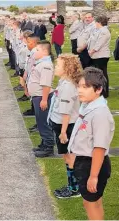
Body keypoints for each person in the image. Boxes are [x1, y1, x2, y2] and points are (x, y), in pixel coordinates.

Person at [69, 67, 114, 220]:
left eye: (85, 87)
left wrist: (93, 176)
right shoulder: (88, 106)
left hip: (93, 164)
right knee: (92, 202)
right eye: (79, 86)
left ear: (98, 89)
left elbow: (99, 148)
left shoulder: (100, 113)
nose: (80, 90)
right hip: (85, 162)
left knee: (91, 204)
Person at [48, 54, 83, 199]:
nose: (55, 67)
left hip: (66, 127)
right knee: (67, 156)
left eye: (58, 65)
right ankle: (72, 185)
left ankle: (74, 188)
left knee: (70, 157)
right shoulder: (64, 82)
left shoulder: (68, 86)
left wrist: (63, 132)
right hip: (62, 125)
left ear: (67, 68)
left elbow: (66, 112)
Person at [27, 40, 55, 157]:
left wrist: (44, 100)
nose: (35, 52)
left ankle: (48, 146)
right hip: (37, 96)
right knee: (40, 121)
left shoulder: (46, 65)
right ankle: (44, 143)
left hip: (42, 97)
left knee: (44, 122)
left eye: (37, 50)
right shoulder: (41, 63)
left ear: (44, 51)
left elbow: (46, 84)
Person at [88, 15, 111, 98]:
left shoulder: (104, 31)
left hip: (101, 55)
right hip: (97, 55)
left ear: (99, 22)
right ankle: (101, 91)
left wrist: (92, 50)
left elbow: (99, 43)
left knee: (102, 74)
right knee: (99, 74)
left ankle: (104, 92)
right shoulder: (99, 30)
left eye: (96, 22)